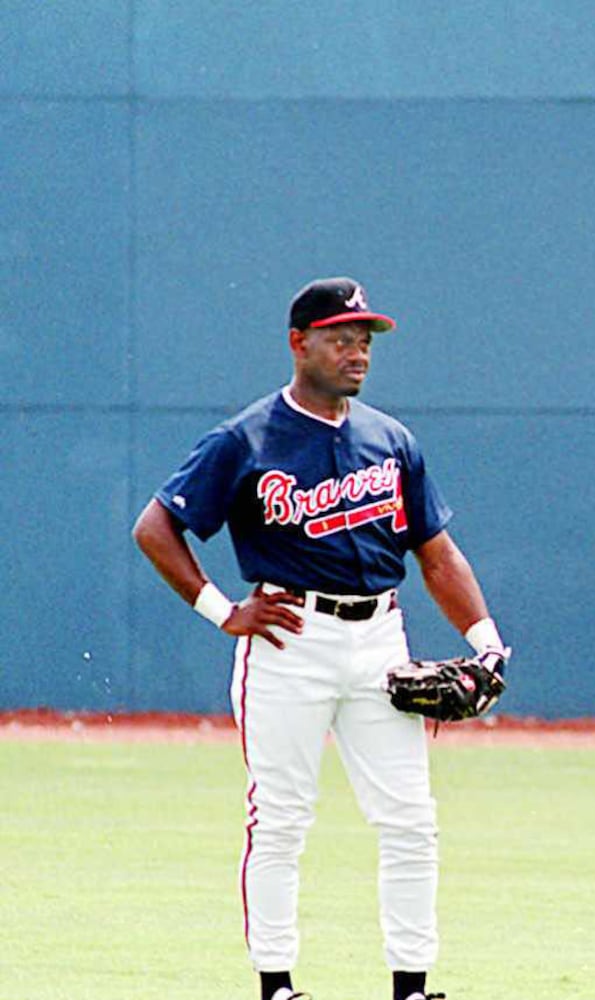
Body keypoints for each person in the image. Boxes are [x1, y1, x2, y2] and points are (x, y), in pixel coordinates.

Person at [131, 276, 509, 1000]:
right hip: (286, 641)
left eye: (364, 339)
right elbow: (157, 527)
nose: (356, 351)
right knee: (279, 818)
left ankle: (412, 987)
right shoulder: (245, 438)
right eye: (341, 337)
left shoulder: (391, 439)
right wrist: (222, 610)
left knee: (409, 820)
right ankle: (277, 985)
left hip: (379, 643)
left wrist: (487, 641)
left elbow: (436, 551)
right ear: (298, 342)